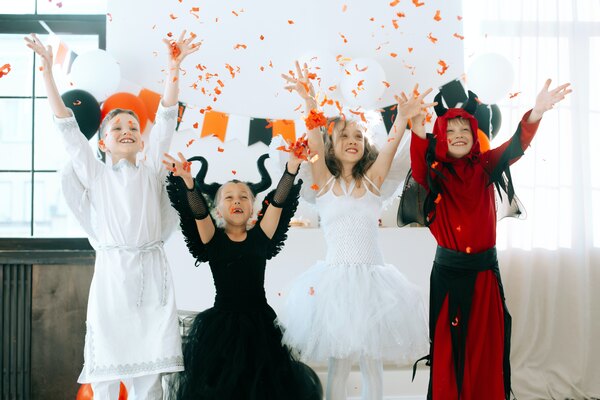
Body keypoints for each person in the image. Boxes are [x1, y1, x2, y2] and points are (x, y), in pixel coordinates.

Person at [25, 31, 199, 399]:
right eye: (116, 127)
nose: (126, 130)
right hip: (112, 279)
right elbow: (67, 128)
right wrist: (46, 73)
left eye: (133, 127)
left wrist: (173, 68)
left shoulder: (152, 170)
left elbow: (166, 119)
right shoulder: (97, 174)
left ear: (141, 140)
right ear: (102, 142)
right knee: (106, 373)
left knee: (150, 376)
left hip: (152, 276)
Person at [409, 80, 571, 400]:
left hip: (484, 276)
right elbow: (417, 167)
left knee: (486, 348)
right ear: (441, 137)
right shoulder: (434, 172)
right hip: (448, 277)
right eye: (451, 131)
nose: (458, 136)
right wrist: (414, 126)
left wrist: (536, 112)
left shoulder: (486, 165)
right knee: (449, 352)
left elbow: (516, 146)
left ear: (474, 136)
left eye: (464, 131)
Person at [278, 61, 431, 400]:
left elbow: (391, 147)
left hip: (373, 281)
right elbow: (315, 140)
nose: (352, 140)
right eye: (344, 135)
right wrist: (309, 102)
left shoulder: (373, 181)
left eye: (358, 136)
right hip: (335, 283)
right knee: (339, 362)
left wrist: (403, 118)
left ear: (365, 145)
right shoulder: (323, 184)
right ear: (332, 146)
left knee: (371, 361)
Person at [163, 149, 323, 400]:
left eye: (244, 197)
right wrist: (189, 183)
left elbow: (279, 201)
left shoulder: (261, 237)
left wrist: (291, 169)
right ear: (217, 208)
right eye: (228, 197)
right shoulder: (212, 239)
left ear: (253, 208)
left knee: (262, 387)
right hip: (222, 327)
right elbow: (197, 212)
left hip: (260, 324)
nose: (236, 201)